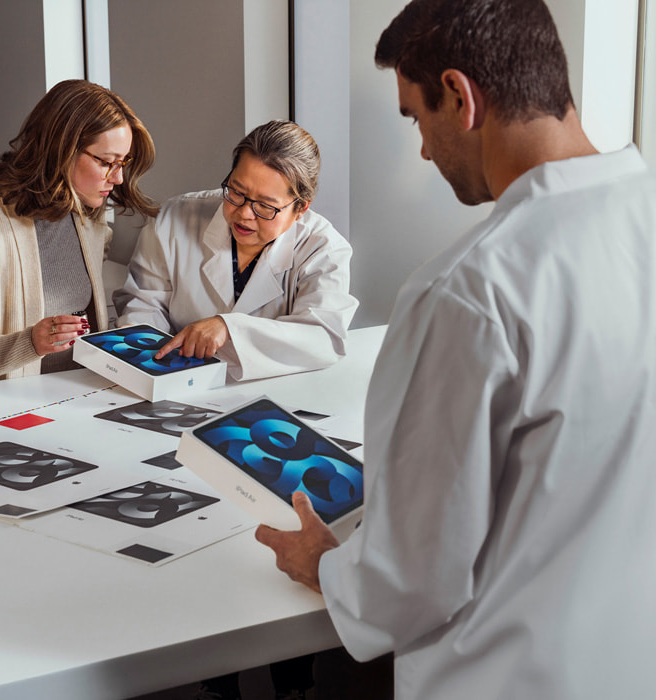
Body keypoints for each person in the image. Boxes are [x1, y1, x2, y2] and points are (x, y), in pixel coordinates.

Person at [255, 1, 656, 699]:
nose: (422, 149)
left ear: (461, 97)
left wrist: (326, 563)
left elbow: (413, 580)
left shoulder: (470, 290)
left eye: (416, 117)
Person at [0, 79, 158, 380]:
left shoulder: (89, 219)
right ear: (61, 150)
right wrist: (28, 342)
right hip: (14, 412)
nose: (117, 178)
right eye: (106, 162)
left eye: (123, 162)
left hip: (83, 395)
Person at [114, 120, 357, 382]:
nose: (243, 214)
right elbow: (142, 307)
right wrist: (154, 366)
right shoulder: (174, 219)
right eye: (237, 192)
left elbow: (323, 338)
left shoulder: (323, 249)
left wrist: (229, 328)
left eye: (265, 206)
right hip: (175, 382)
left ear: (300, 209)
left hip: (273, 395)